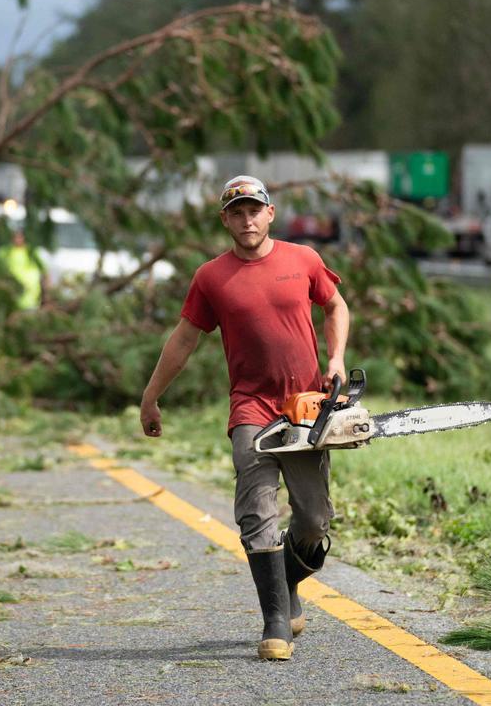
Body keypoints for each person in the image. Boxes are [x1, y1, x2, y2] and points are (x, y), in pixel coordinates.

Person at [139, 175, 350, 661]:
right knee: (257, 510)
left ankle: (288, 583)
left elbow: (336, 306)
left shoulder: (304, 260)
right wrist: (151, 397)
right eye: (237, 212)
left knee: (315, 521)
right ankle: (275, 620)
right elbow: (184, 340)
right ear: (225, 220)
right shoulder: (211, 277)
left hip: (306, 408)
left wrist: (336, 358)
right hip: (251, 408)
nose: (247, 218)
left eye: (255, 209)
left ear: (270, 213)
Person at [0, 229, 44, 310]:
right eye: (15, 237)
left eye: (19, 237)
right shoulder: (6, 251)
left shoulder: (31, 252)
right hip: (13, 290)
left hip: (31, 293)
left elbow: (43, 269)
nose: (17, 239)